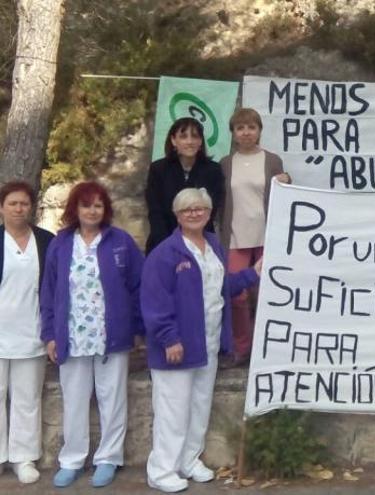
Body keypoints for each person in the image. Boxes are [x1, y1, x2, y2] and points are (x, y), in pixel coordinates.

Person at [141, 188, 261, 493]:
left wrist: (252, 274)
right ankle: (162, 469)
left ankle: (189, 460)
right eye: (187, 210)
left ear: (209, 213)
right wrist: (169, 339)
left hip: (207, 343)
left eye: (200, 208)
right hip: (176, 346)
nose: (194, 213)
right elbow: (155, 302)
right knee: (172, 409)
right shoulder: (165, 253)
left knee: (199, 406)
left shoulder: (214, 246)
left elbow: (222, 287)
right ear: (178, 215)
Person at [40, 181, 144, 488]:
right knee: (74, 400)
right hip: (71, 335)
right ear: (75, 209)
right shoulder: (60, 244)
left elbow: (138, 287)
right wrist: (50, 334)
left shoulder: (120, 241)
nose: (92, 210)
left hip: (112, 334)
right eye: (86, 205)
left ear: (105, 210)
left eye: (98, 205)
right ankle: (71, 460)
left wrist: (138, 328)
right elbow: (48, 292)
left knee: (113, 399)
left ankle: (108, 459)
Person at [219, 108, 289, 367]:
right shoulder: (226, 163)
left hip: (266, 235)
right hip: (236, 236)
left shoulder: (272, 160)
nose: (246, 132)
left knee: (267, 293)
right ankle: (241, 348)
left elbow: (283, 193)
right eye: (240, 128)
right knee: (235, 293)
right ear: (233, 133)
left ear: (259, 130)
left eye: (251, 127)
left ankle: (267, 348)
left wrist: (287, 180)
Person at [0, 181, 54, 484]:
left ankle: (23, 458)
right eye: (12, 203)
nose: (19, 209)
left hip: (33, 331)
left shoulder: (46, 241)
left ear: (31, 207)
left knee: (27, 397)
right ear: (2, 207)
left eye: (24, 203)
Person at [145, 117, 225, 253]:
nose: (190, 142)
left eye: (195, 136)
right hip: (163, 241)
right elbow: (155, 211)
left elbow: (210, 211)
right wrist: (169, 245)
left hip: (201, 241)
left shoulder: (213, 170)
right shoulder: (158, 169)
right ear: (173, 140)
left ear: (200, 142)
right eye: (183, 136)